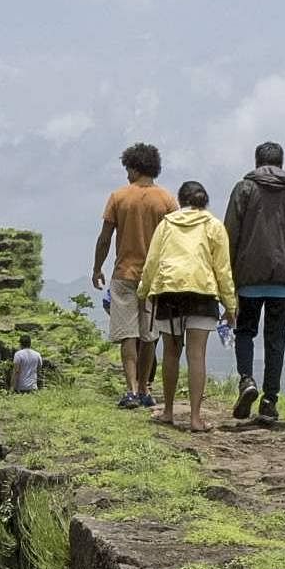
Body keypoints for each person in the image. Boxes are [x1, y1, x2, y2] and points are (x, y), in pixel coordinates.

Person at [222, 141, 285, 425]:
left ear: (256, 162)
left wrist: (226, 280)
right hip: (283, 279)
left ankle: (246, 380)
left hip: (247, 278)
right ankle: (269, 400)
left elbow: (230, 235)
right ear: (282, 163)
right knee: (276, 339)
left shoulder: (244, 189)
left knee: (245, 332)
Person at [139, 180, 235, 433]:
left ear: (180, 201)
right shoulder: (214, 225)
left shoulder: (166, 225)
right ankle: (195, 418)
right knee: (196, 355)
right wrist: (230, 304)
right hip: (202, 293)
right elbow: (222, 269)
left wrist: (144, 291)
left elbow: (152, 261)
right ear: (205, 202)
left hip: (170, 292)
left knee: (171, 352)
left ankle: (169, 411)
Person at [91, 143, 176, 410]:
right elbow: (174, 240)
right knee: (150, 334)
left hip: (124, 273)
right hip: (155, 277)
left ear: (135, 167)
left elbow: (105, 238)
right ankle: (144, 388)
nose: (126, 174)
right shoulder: (166, 200)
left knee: (128, 335)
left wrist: (97, 268)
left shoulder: (118, 197)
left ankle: (129, 390)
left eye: (128, 168)